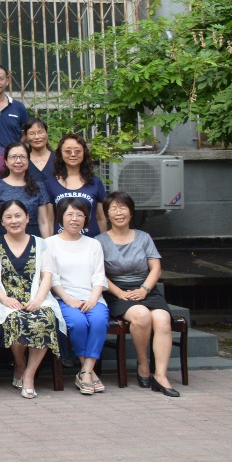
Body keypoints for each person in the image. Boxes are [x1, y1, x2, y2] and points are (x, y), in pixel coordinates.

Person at [98, 191, 180, 397]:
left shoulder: (144, 237)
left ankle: (160, 375)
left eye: (123, 208)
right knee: (141, 315)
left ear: (131, 212)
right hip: (116, 292)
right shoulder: (99, 241)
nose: (119, 213)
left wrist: (144, 289)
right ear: (107, 214)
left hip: (146, 289)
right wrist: (120, 293)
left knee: (162, 319)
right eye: (113, 209)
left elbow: (156, 269)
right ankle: (143, 363)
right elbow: (98, 274)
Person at [0, 199, 64, 400]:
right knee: (16, 320)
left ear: (27, 218)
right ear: (2, 222)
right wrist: (4, 299)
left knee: (45, 319)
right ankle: (19, 364)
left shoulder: (41, 243)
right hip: (7, 301)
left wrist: (38, 300)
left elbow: (47, 275)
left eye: (18, 216)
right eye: (8, 217)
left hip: (37, 298)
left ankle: (29, 375)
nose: (14, 221)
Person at [47, 197, 109, 394]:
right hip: (64, 298)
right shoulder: (50, 243)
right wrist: (68, 299)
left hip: (92, 297)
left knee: (99, 321)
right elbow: (52, 277)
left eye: (80, 215)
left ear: (86, 219)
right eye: (70, 215)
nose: (75, 219)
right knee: (78, 323)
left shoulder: (94, 244)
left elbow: (99, 276)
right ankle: (89, 372)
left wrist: (93, 299)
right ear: (61, 217)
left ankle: (85, 372)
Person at [45, 133, 108, 236]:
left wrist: (103, 242)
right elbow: (49, 220)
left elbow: (101, 218)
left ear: (84, 153)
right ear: (60, 154)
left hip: (92, 241)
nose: (73, 154)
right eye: (68, 151)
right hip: (61, 242)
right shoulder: (50, 184)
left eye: (77, 151)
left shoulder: (95, 182)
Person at [0, 141, 53, 238]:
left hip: (33, 237)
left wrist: (46, 244)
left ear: (28, 161)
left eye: (22, 157)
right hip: (5, 237)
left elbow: (43, 222)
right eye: (13, 157)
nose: (18, 161)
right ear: (6, 161)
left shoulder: (38, 186)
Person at [24, 118, 55, 185]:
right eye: (32, 134)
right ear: (26, 137)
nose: (37, 137)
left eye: (40, 133)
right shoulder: (23, 161)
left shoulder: (58, 158)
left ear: (47, 134)